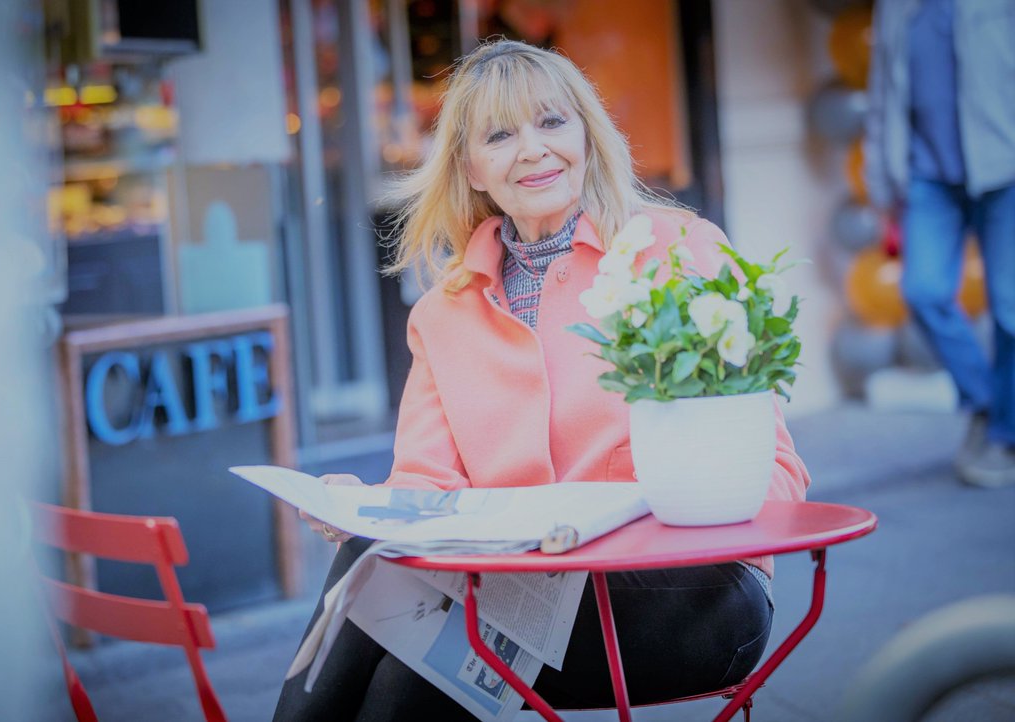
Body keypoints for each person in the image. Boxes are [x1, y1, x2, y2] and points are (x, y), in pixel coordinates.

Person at [276, 39, 811, 721]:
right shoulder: (444, 312)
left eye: (553, 123)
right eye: (501, 135)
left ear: (586, 136)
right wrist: (365, 506)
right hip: (522, 596)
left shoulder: (679, 253)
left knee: (414, 663)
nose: (533, 149)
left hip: (694, 594)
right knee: (382, 608)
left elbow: (774, 465)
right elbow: (428, 489)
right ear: (468, 167)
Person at [865, 0, 1015, 488]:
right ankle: (989, 404)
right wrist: (881, 177)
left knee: (1011, 307)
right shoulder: (896, 7)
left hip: (1004, 169)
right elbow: (882, 92)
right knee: (924, 290)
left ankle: (1001, 434)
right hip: (929, 176)